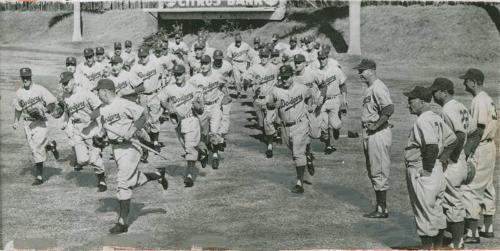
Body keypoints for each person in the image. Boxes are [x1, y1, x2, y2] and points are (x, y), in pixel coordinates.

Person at [92, 78, 168, 234]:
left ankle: (122, 222)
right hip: (117, 149)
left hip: (131, 148)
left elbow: (143, 115)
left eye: (98, 91)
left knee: (123, 183)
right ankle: (156, 174)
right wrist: (100, 138)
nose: (97, 94)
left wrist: (131, 130)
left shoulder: (123, 103)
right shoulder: (104, 109)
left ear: (105, 91)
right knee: (131, 180)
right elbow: (105, 131)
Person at [403, 86, 457, 249]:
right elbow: (452, 140)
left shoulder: (422, 120)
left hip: (423, 171)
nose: (408, 105)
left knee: (424, 215)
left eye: (411, 101)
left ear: (421, 101)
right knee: (437, 212)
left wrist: (426, 169)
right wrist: (442, 160)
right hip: (437, 170)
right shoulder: (435, 117)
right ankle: (438, 248)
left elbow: (432, 146)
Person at [428, 77, 470, 248]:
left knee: (453, 202)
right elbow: (474, 133)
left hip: (453, 162)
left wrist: (449, 158)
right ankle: (453, 238)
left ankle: (457, 241)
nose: (432, 95)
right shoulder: (460, 106)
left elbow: (459, 135)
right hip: (460, 158)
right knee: (451, 200)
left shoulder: (448, 109)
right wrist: (465, 156)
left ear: (443, 92)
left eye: (435, 91)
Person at [459, 68, 497, 243]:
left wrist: (467, 152)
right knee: (487, 186)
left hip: (481, 147)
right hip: (490, 147)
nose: (464, 83)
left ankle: (472, 233)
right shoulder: (488, 99)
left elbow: (479, 129)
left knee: (470, 188)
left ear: (473, 82)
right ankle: (488, 228)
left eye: (466, 80)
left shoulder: (479, 100)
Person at [354, 59, 394, 218]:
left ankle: (382, 209)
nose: (359, 74)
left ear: (371, 70)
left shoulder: (378, 87)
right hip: (370, 133)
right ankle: (380, 207)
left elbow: (389, 108)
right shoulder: (370, 88)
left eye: (362, 71)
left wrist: (377, 124)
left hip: (378, 133)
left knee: (378, 171)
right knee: (373, 170)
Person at [266, 65, 313, 194]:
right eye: (282, 78)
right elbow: (268, 104)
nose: (284, 80)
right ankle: (308, 155)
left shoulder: (302, 88)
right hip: (285, 127)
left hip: (300, 124)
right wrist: (274, 105)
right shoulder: (276, 90)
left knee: (297, 154)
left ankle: (299, 183)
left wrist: (309, 107)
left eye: (287, 77)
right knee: (293, 150)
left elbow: (310, 96)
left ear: (292, 76)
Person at [58, 71, 107, 192]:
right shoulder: (65, 96)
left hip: (90, 127)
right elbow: (67, 111)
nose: (65, 86)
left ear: (73, 81)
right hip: (77, 129)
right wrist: (65, 121)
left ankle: (102, 180)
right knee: (82, 160)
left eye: (66, 83)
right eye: (63, 84)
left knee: (94, 160)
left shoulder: (85, 93)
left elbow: (100, 108)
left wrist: (90, 117)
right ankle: (98, 150)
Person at [159, 64, 207, 187]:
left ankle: (189, 175)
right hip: (178, 122)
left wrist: (197, 105)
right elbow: (162, 99)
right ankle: (201, 153)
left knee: (190, 148)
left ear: (184, 74)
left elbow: (201, 108)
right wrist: (168, 107)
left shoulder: (193, 88)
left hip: (191, 119)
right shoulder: (170, 88)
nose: (177, 76)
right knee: (186, 147)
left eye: (179, 74)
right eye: (175, 74)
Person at [12, 67, 59, 185]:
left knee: (36, 149)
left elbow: (52, 103)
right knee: (34, 148)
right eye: (23, 78)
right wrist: (16, 121)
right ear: (21, 78)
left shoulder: (39, 89)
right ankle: (50, 145)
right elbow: (18, 109)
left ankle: (39, 176)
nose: (25, 80)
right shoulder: (19, 93)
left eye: (27, 77)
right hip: (28, 124)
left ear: (31, 77)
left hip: (40, 122)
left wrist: (46, 110)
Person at [187, 55, 226, 169]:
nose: (203, 66)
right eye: (202, 63)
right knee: (203, 134)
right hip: (202, 109)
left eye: (206, 63)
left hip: (214, 106)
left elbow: (224, 85)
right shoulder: (195, 78)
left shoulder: (217, 76)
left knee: (214, 132)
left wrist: (225, 96)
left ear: (210, 64)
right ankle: (204, 152)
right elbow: (188, 90)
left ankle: (214, 155)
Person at [244, 48, 280, 158]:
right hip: (257, 98)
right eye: (262, 56)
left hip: (269, 98)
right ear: (259, 56)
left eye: (266, 56)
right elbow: (245, 78)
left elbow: (283, 78)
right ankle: (270, 133)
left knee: (268, 121)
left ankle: (269, 145)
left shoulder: (275, 68)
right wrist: (251, 82)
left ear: (269, 56)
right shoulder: (255, 67)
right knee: (261, 124)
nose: (264, 58)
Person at [131, 47, 164, 161]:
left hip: (154, 94)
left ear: (148, 55)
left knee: (155, 119)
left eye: (144, 56)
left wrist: (160, 89)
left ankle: (155, 142)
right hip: (142, 96)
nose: (142, 58)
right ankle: (145, 144)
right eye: (140, 56)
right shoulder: (135, 67)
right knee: (143, 120)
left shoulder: (156, 64)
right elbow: (134, 84)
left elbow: (162, 76)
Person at [316, 50, 347, 154]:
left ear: (327, 58)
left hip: (334, 99)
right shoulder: (316, 72)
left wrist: (344, 99)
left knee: (336, 125)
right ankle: (328, 145)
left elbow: (342, 85)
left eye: (323, 58)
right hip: (323, 101)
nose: (321, 60)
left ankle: (336, 129)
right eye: (320, 58)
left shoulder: (336, 70)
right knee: (324, 126)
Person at [211, 50, 234, 142]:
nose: (218, 61)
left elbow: (231, 73)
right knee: (214, 114)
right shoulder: (210, 67)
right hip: (213, 92)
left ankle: (222, 136)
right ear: (213, 59)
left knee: (225, 115)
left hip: (224, 91)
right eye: (216, 59)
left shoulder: (227, 65)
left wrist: (229, 80)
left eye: (220, 59)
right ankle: (213, 134)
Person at [226, 33, 251, 98]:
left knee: (246, 79)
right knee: (237, 79)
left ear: (241, 40)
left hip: (244, 63)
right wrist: (232, 64)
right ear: (235, 41)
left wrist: (248, 65)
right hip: (235, 63)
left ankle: (245, 87)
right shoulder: (231, 46)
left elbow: (250, 55)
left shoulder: (246, 45)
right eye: (237, 41)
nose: (238, 43)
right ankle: (239, 92)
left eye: (239, 41)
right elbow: (228, 57)